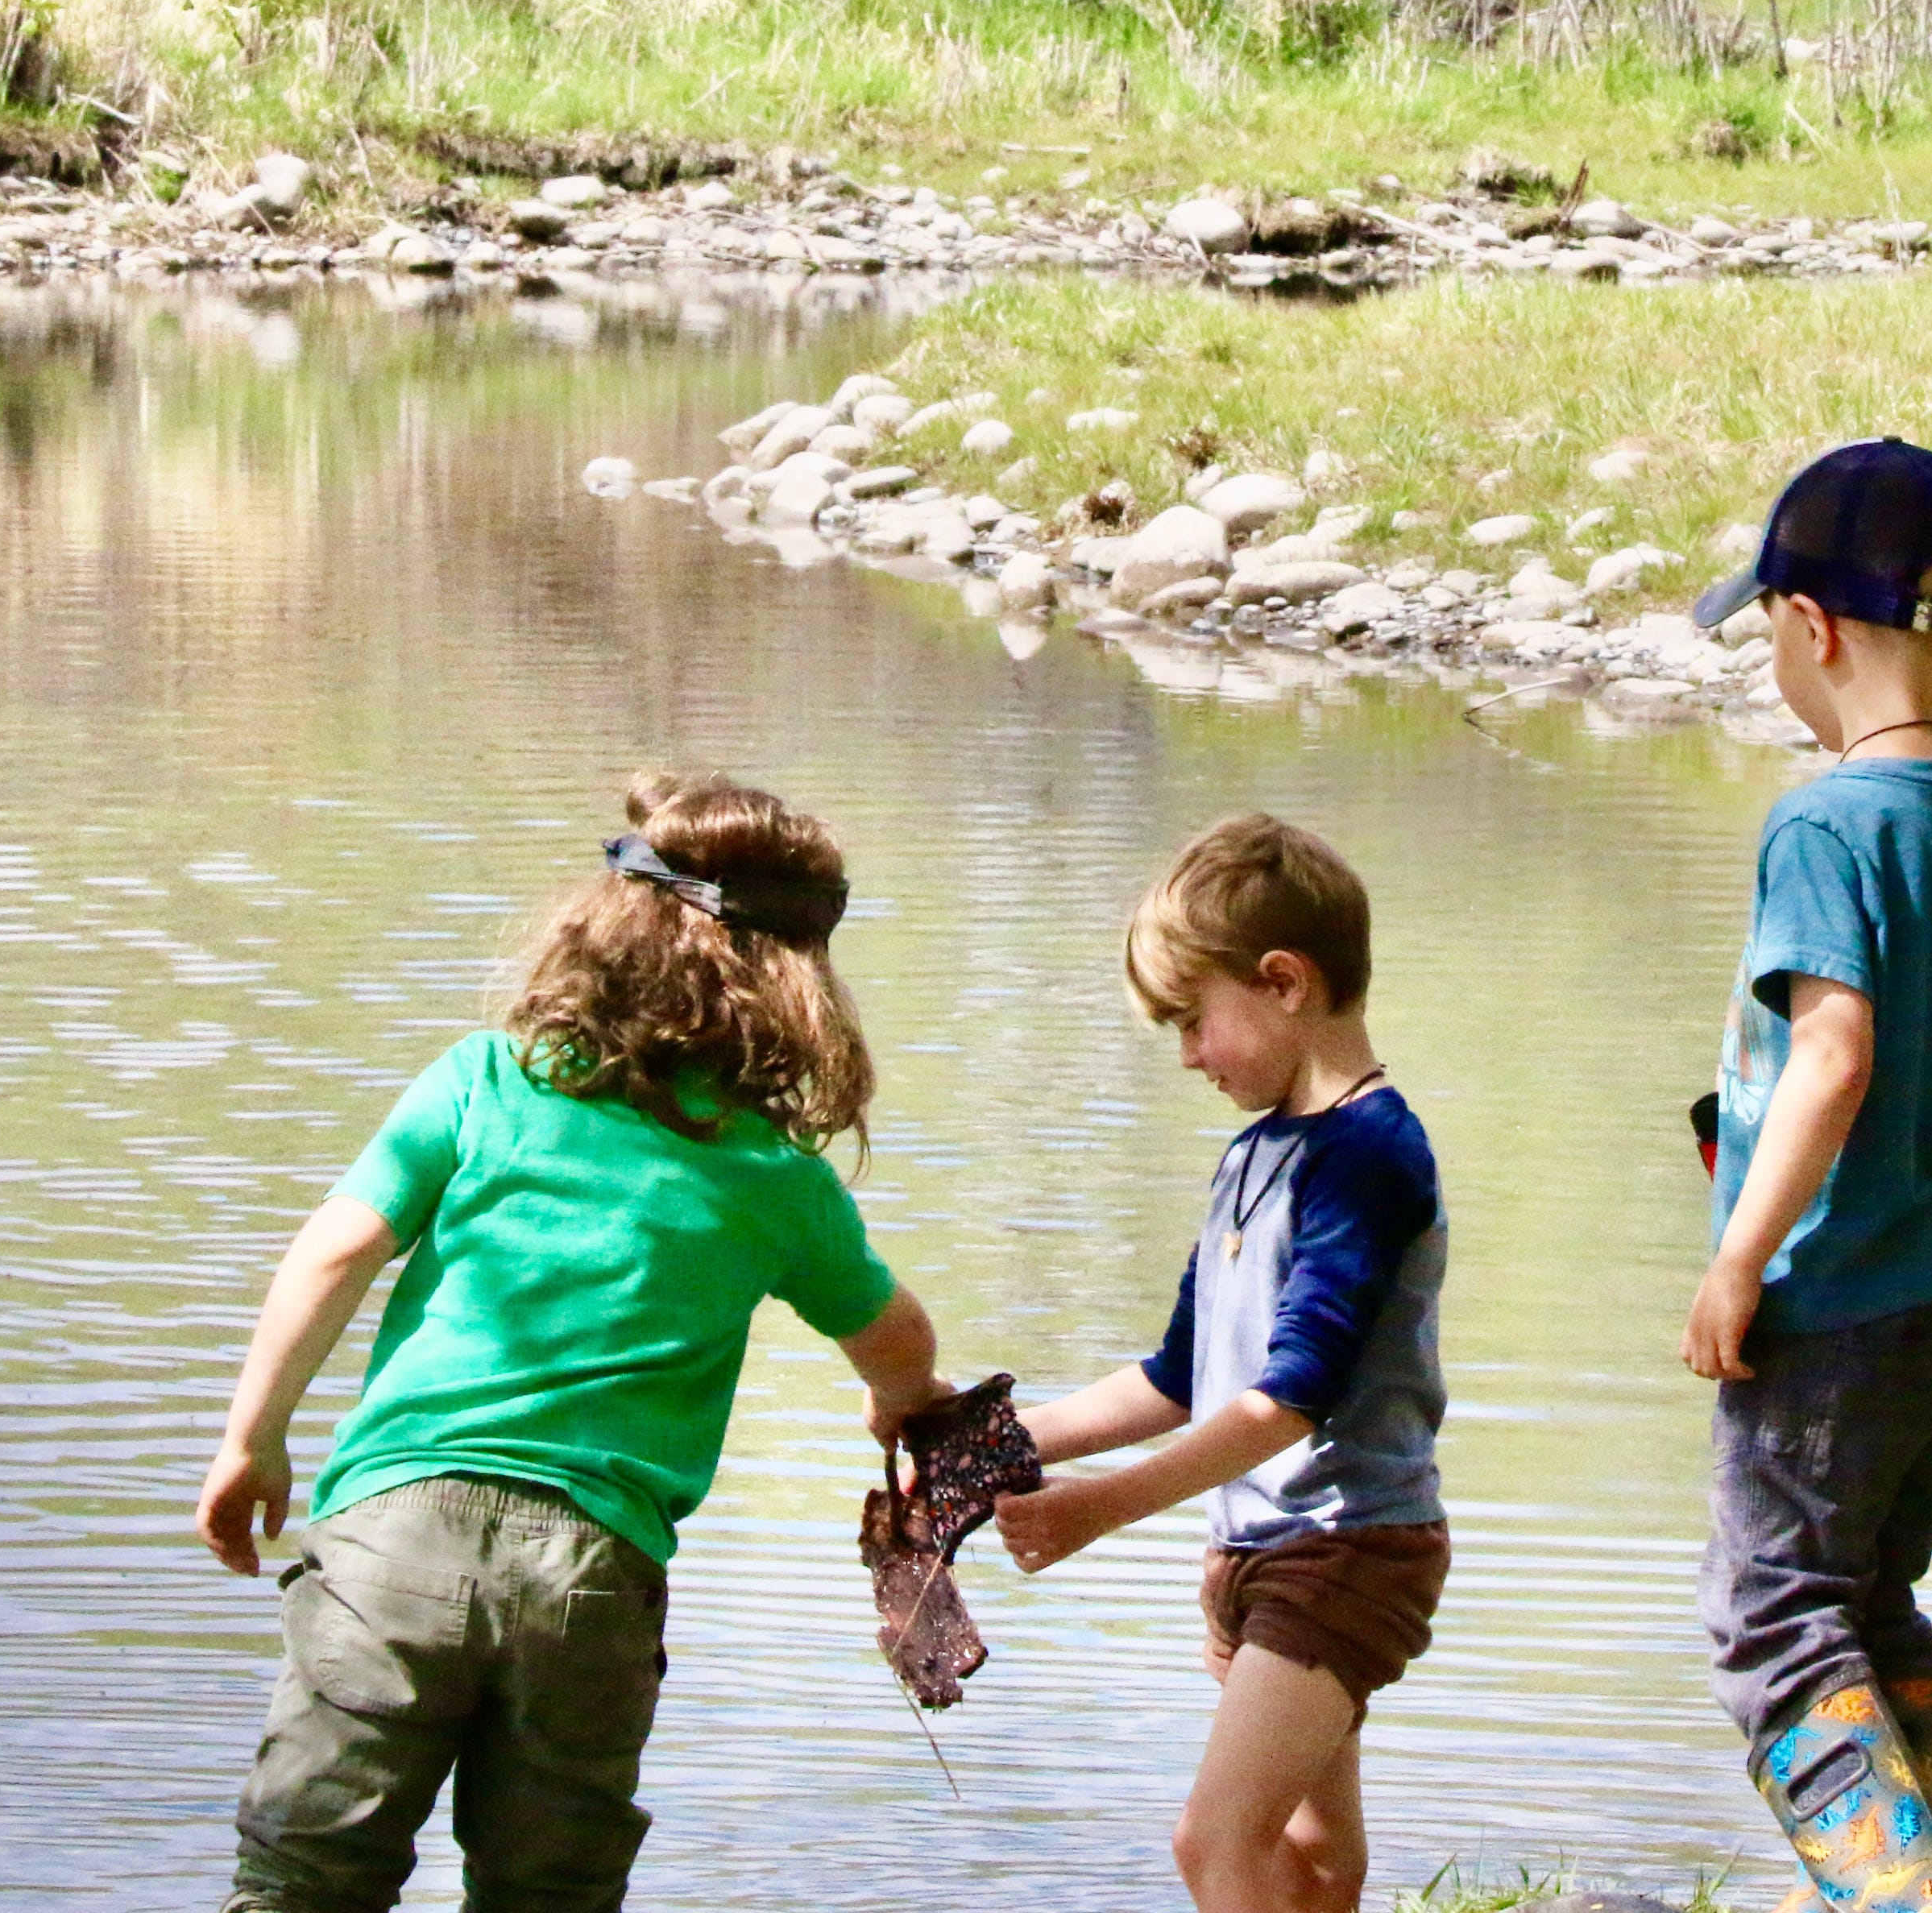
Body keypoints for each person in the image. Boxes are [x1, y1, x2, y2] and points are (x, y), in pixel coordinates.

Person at [193, 771, 955, 1913]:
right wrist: (904, 1401)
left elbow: (333, 1255)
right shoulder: (777, 1181)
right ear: (801, 982)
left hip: (390, 1545)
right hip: (588, 1581)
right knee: (548, 1894)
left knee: (303, 1880)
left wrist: (252, 1438)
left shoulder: (483, 1084)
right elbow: (897, 1335)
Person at [1682, 438, 1932, 1913]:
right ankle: (1896, 1877)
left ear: (1812, 628)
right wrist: (1922, 1093)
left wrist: (1740, 1255)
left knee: (1773, 1619)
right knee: (1870, 1595)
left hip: (1831, 1294)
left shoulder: (1826, 821)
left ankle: (1900, 1898)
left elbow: (1830, 1059)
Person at [995, 815, 1448, 1913]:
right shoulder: (1256, 1154)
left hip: (1346, 1551)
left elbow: (1292, 1396)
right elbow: (1178, 1376)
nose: (1191, 1057)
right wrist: (993, 1442)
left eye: (1196, 1023)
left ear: (1284, 982)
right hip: (1257, 1552)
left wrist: (1098, 1511)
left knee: (1215, 1845)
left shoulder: (1368, 1155)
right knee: (1315, 1863)